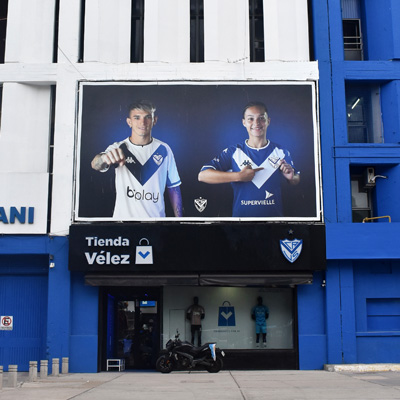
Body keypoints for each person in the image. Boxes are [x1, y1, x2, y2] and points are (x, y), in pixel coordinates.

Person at [198, 101, 300, 217]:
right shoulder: (234, 152)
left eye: (261, 118)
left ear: (268, 121)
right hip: (241, 223)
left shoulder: (281, 151)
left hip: (274, 221)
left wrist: (291, 178)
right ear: (244, 122)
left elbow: (296, 178)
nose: (256, 123)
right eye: (250, 119)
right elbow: (202, 175)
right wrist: (238, 176)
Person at [91, 99, 183, 219]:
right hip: (123, 223)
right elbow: (95, 164)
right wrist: (103, 158)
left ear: (154, 120)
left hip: (156, 223)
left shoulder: (164, 149)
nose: (143, 122)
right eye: (137, 117)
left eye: (147, 117)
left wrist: (180, 223)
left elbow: (174, 187)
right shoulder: (119, 148)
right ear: (129, 122)